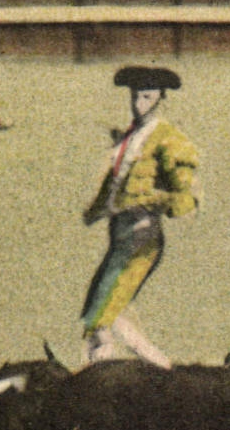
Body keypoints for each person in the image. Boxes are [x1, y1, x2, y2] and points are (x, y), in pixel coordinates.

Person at [80, 66, 200, 369]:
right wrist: (95, 211)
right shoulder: (129, 137)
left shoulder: (169, 139)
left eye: (146, 96)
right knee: (105, 308)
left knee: (101, 316)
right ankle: (166, 370)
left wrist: (149, 201)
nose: (138, 103)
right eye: (135, 96)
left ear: (161, 99)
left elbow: (184, 194)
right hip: (120, 234)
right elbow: (114, 185)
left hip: (141, 236)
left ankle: (96, 376)